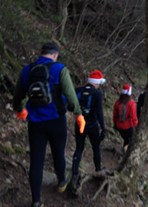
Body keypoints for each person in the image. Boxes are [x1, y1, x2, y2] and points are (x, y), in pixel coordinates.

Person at [13, 42, 85, 207]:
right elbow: (71, 95)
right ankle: (61, 183)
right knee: (58, 152)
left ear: (41, 53)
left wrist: (20, 109)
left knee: (36, 160)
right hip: (56, 121)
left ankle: (36, 201)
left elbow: (17, 96)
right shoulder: (60, 69)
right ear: (55, 54)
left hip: (35, 122)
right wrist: (78, 113)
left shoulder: (27, 70)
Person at [71, 70, 106, 189]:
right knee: (96, 148)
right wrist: (103, 128)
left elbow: (71, 105)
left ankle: (74, 173)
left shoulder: (78, 90)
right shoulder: (97, 94)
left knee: (79, 148)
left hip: (79, 124)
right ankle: (98, 170)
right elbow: (100, 112)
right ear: (96, 82)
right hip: (92, 126)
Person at [113, 84, 138, 153]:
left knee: (126, 139)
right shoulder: (131, 103)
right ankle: (125, 152)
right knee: (131, 140)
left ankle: (124, 150)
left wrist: (115, 124)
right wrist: (136, 125)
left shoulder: (117, 102)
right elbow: (133, 117)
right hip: (128, 126)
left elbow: (114, 115)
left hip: (118, 125)